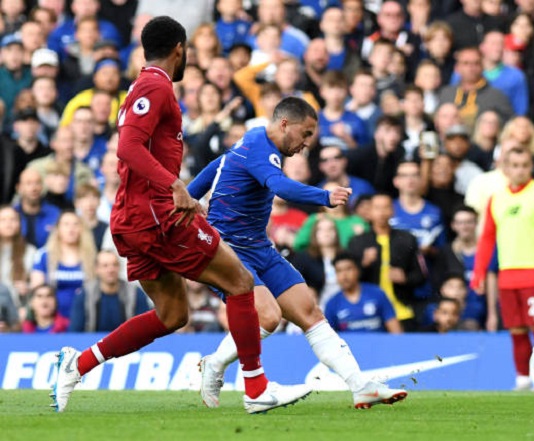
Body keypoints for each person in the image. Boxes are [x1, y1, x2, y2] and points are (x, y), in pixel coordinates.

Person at [49, 16, 311, 415]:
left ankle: (77, 364)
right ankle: (257, 389)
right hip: (156, 216)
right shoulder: (156, 86)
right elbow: (128, 147)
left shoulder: (141, 86)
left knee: (172, 315)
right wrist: (174, 186)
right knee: (241, 282)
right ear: (179, 49)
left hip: (133, 217)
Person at [188, 97, 407, 410]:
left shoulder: (255, 142)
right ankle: (231, 374)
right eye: (305, 134)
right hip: (228, 250)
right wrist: (325, 196)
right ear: (284, 124)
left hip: (259, 247)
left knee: (310, 312)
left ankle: (361, 386)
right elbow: (280, 186)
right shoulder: (260, 145)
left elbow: (220, 164)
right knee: (268, 316)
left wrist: (189, 195)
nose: (306, 144)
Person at [471, 147, 534, 391]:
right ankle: (522, 379)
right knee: (516, 330)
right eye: (514, 165)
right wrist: (479, 271)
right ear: (505, 168)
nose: (520, 170)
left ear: (531, 167)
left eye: (524, 165)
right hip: (507, 276)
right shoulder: (497, 199)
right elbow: (487, 238)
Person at [347, 193, 425, 331]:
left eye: (386, 207)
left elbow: (421, 275)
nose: (382, 212)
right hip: (369, 312)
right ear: (369, 212)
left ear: (393, 211)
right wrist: (364, 264)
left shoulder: (407, 239)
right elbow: (348, 280)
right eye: (377, 208)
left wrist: (405, 278)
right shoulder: (357, 242)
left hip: (403, 309)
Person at [69, 250, 150, 332]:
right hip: (94, 339)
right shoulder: (85, 294)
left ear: (120, 267)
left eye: (115, 265)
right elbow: (75, 331)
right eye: (105, 266)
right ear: (96, 269)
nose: (111, 270)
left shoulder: (135, 293)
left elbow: (145, 328)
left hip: (128, 339)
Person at [325, 252, 402, 333]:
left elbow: (395, 330)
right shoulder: (332, 304)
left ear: (357, 271)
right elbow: (328, 337)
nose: (344, 275)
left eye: (348, 269)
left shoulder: (377, 294)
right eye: (339, 271)